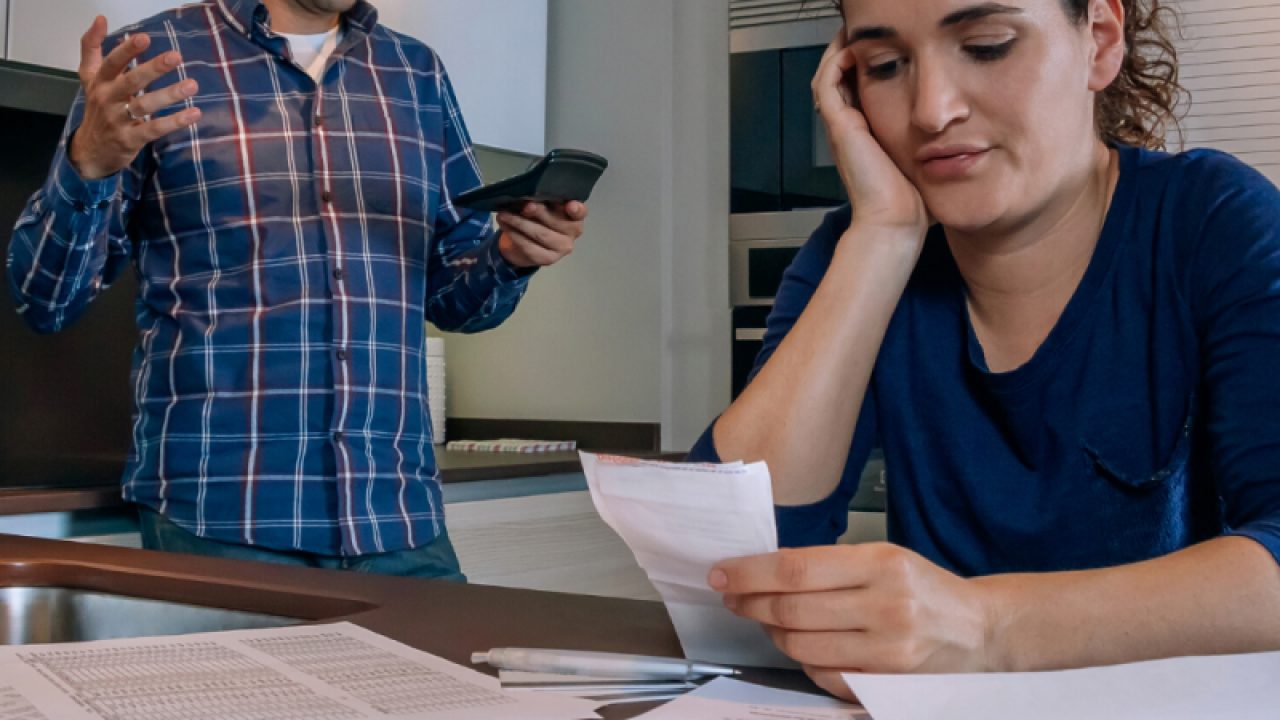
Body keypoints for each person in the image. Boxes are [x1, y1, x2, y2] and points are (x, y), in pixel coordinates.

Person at [689, 0, 1280, 699]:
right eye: (885, 66)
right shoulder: (856, 250)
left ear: (1099, 40)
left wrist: (987, 627)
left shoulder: (1212, 221)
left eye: (989, 45)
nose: (931, 111)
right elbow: (728, 561)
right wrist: (881, 237)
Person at [6, 0, 588, 579]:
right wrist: (88, 164)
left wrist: (510, 257)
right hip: (222, 518)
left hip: (397, 516)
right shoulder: (149, 60)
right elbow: (45, 297)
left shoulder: (417, 74)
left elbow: (456, 299)